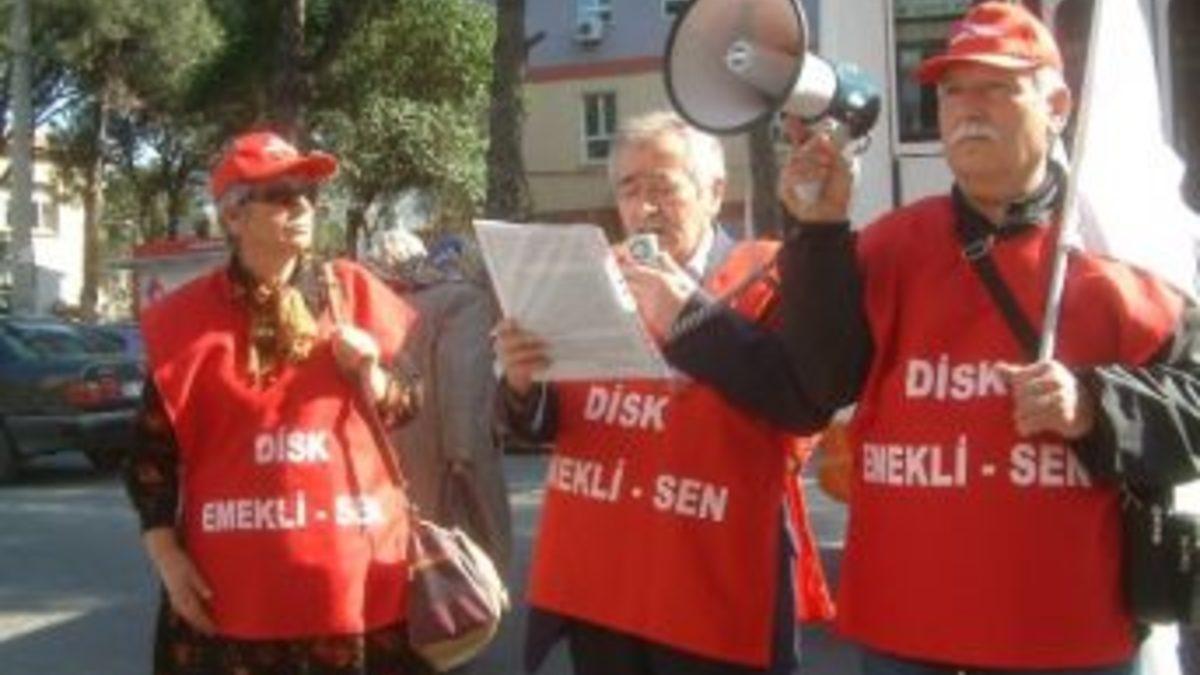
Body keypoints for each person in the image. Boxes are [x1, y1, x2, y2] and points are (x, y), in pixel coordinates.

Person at [654, 3, 1200, 673]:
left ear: (1057, 105)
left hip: (1070, 636)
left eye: (995, 87)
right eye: (952, 91)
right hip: (905, 634)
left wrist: (1093, 404)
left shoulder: (1116, 256)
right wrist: (817, 230)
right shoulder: (889, 245)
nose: (968, 108)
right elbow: (815, 387)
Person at [494, 110, 834, 675]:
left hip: (712, 587)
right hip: (603, 588)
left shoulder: (771, 272)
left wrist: (687, 316)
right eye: (630, 189)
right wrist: (520, 383)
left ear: (714, 192)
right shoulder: (590, 274)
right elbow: (539, 425)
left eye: (663, 187)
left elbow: (800, 404)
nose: (645, 207)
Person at [124, 130, 433, 675]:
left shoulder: (354, 293)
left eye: (307, 193)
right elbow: (150, 459)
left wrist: (371, 372)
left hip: (357, 593)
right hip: (232, 603)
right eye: (281, 195)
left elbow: (409, 404)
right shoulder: (184, 320)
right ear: (233, 216)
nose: (303, 206)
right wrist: (168, 559)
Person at [360, 226, 514, 576]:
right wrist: (463, 457)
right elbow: (463, 382)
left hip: (385, 461)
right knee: (470, 566)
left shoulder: (368, 307)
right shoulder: (462, 302)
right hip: (443, 457)